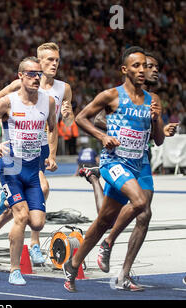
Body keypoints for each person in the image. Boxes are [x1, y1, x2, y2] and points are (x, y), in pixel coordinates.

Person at [62, 46, 165, 293]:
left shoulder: (154, 100)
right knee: (141, 203)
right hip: (113, 163)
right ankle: (107, 244)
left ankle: (72, 264)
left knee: (103, 221)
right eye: (136, 66)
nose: (142, 70)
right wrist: (102, 135)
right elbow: (81, 118)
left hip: (136, 164)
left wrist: (156, 120)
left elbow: (159, 140)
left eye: (145, 66)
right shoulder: (110, 95)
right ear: (124, 70)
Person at [0, 42, 72, 264]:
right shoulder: (20, 84)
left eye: (57, 61)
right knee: (41, 189)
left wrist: (53, 153)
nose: (54, 64)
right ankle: (33, 244)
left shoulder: (63, 89)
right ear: (38, 62)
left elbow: (63, 124)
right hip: (18, 145)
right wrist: (10, 127)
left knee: (30, 203)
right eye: (49, 60)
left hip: (40, 146)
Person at [0, 56, 56, 285]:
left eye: (39, 74)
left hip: (33, 167)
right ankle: (14, 270)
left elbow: (53, 128)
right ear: (20, 76)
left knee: (38, 223)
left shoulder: (48, 102)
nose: (36, 78)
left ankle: (7, 200)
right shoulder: (8, 102)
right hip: (11, 166)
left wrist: (51, 154)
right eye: (31, 73)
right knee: (21, 216)